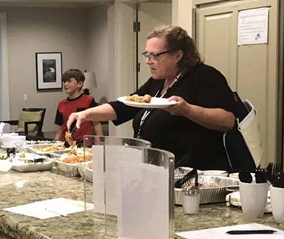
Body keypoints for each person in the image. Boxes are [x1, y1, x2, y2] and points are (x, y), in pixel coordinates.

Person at [67, 26, 236, 169]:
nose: (148, 61)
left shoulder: (204, 76)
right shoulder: (158, 80)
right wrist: (85, 114)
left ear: (178, 55)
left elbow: (228, 120)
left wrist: (187, 110)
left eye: (155, 55)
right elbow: (125, 106)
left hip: (193, 171)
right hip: (155, 168)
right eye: (146, 55)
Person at [54, 69, 103, 143]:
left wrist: (99, 142)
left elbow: (96, 123)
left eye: (69, 81)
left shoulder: (89, 100)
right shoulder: (61, 104)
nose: (65, 84)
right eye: (64, 81)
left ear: (79, 84)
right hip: (65, 143)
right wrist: (56, 141)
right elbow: (60, 128)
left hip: (84, 143)